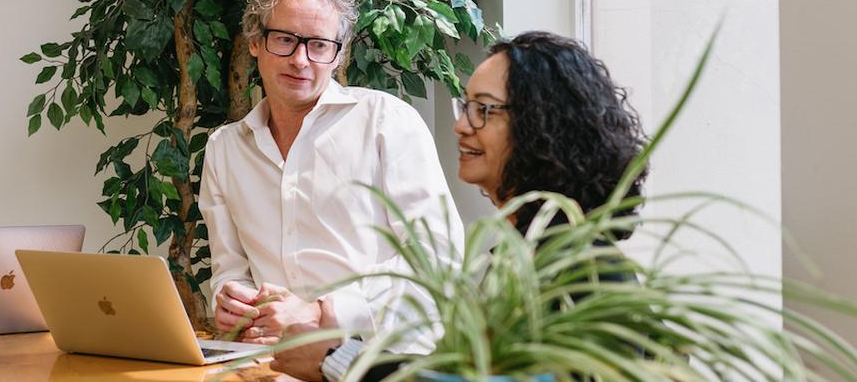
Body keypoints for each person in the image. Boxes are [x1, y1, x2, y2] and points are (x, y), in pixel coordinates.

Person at [272, 30, 648, 381]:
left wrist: (339, 360)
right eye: (465, 107)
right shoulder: (520, 250)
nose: (461, 126)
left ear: (543, 125)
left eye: (483, 109)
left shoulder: (585, 267)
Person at [201, 0, 464, 352]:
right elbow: (230, 269)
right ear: (256, 42)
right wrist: (230, 299)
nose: (300, 60)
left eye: (320, 45)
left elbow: (437, 258)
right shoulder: (225, 148)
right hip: (271, 358)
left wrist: (322, 313)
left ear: (339, 52)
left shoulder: (385, 122)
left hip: (382, 358)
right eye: (285, 40)